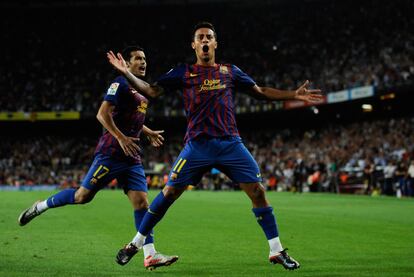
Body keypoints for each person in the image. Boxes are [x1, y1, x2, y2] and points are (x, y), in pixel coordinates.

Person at [107, 22, 323, 270]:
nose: (205, 41)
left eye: (209, 37)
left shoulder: (230, 71)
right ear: (194, 45)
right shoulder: (183, 72)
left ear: (215, 43)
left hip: (231, 144)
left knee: (258, 191)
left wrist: (293, 94)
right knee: (168, 193)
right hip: (197, 146)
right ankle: (136, 243)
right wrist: (127, 73)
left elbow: (260, 91)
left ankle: (276, 250)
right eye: (200, 38)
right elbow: (153, 91)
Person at [18, 46, 178, 271]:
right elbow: (102, 114)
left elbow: (131, 119)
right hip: (110, 154)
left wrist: (147, 131)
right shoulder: (120, 83)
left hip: (131, 158)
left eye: (144, 59)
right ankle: (41, 206)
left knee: (142, 202)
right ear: (128, 63)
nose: (143, 63)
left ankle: (150, 255)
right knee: (82, 197)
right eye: (138, 59)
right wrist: (121, 137)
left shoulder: (143, 93)